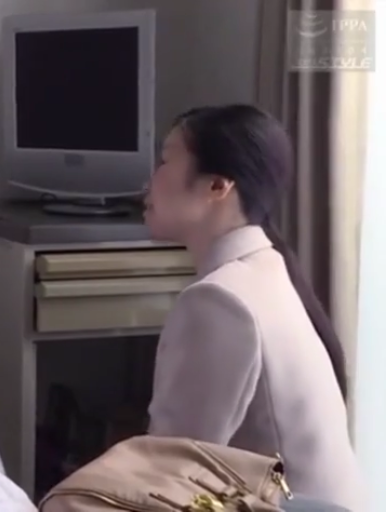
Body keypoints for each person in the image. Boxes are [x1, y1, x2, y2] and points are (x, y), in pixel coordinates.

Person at [142, 105, 362, 511]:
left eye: (164, 160)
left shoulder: (219, 300)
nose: (148, 178)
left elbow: (168, 476)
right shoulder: (266, 271)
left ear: (217, 186)